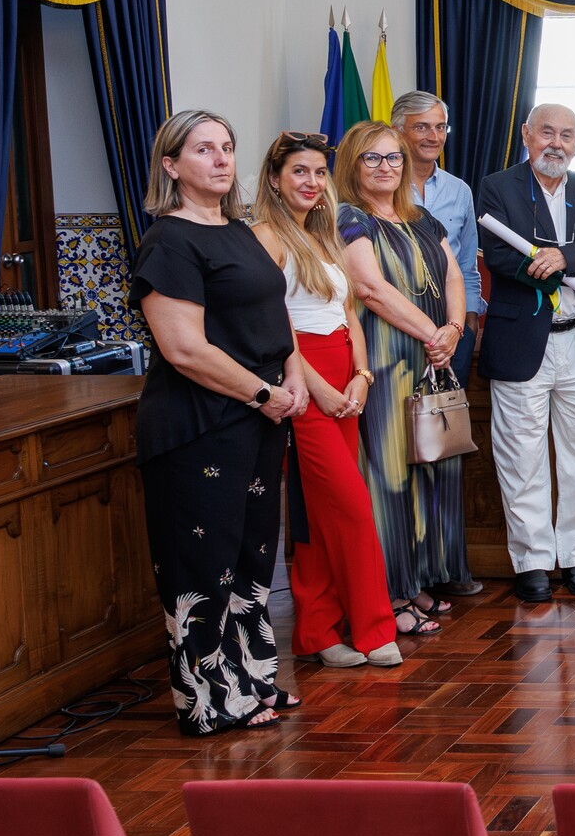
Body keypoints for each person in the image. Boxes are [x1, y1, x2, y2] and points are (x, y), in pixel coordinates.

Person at [129, 110, 304, 735]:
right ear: (171, 165)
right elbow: (183, 349)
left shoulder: (238, 230)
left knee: (249, 557)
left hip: (258, 417)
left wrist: (292, 377)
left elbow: (275, 315)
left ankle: (251, 677)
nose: (222, 159)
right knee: (203, 565)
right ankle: (207, 701)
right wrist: (263, 393)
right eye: (204, 149)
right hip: (200, 423)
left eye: (227, 146)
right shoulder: (168, 241)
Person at [249, 132, 399, 670]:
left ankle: (315, 631)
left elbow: (349, 312)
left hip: (345, 374)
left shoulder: (325, 232)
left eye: (318, 172)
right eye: (299, 172)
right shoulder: (266, 237)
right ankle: (375, 629)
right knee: (353, 508)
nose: (312, 182)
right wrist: (317, 386)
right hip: (303, 382)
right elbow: (277, 325)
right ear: (274, 179)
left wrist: (362, 374)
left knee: (319, 515)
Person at [477, 105, 575, 601]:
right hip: (522, 342)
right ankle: (533, 562)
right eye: (547, 132)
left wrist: (564, 256)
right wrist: (560, 266)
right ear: (526, 134)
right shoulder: (497, 187)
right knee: (521, 456)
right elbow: (499, 256)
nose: (556, 143)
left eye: (567, 135)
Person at [336, 119, 470, 633]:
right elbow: (369, 288)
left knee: (430, 469)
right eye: (372, 157)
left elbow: (454, 274)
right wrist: (435, 334)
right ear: (352, 164)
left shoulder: (421, 217)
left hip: (433, 358)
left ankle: (418, 581)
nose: (385, 167)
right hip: (387, 361)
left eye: (393, 157)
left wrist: (453, 328)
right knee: (389, 475)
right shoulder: (349, 218)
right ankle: (389, 595)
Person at [392, 90, 483, 598]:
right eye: (422, 126)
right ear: (398, 131)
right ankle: (409, 571)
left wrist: (462, 325)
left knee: (444, 450)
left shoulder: (458, 190)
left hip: (451, 336)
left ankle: (446, 566)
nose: (433, 136)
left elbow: (466, 267)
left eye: (440, 127)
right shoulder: (378, 184)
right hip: (395, 336)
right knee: (400, 451)